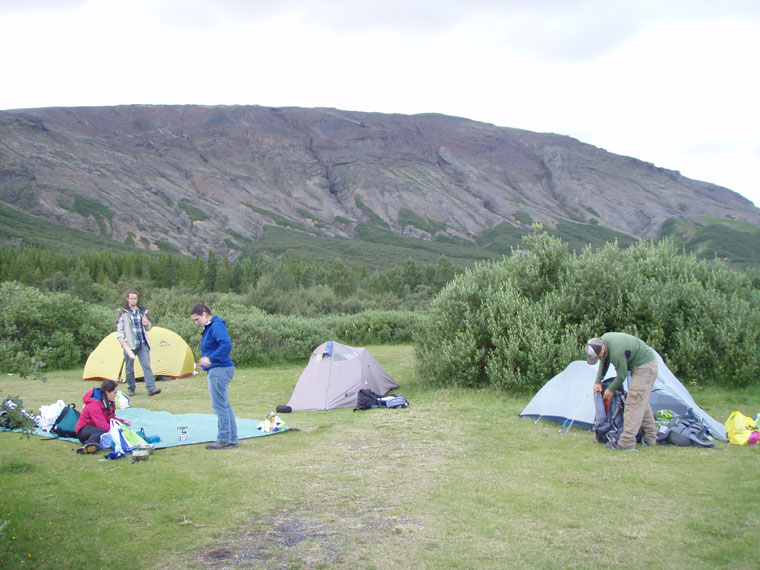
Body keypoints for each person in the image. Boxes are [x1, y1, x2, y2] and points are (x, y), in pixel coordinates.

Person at [586, 332, 659, 451]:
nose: (598, 358)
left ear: (603, 348)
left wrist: (610, 390)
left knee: (633, 402)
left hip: (645, 367)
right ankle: (651, 439)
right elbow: (604, 360)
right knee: (640, 402)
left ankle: (627, 443)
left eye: (598, 355)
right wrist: (598, 381)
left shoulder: (616, 352)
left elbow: (621, 375)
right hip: (640, 366)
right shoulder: (603, 342)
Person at [190, 303, 238, 450]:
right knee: (224, 404)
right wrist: (205, 363)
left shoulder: (216, 325)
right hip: (219, 368)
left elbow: (226, 344)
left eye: (197, 319)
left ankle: (223, 440)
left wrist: (210, 358)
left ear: (204, 314)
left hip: (220, 370)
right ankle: (231, 439)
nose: (196, 323)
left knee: (219, 406)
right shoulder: (210, 327)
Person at [115, 289, 161, 397]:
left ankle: (151, 388)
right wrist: (121, 339)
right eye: (131, 298)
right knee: (129, 368)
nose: (133, 300)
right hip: (129, 345)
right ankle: (131, 388)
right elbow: (118, 328)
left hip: (142, 343)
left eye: (135, 298)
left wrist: (147, 323)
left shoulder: (143, 311)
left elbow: (149, 327)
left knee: (146, 365)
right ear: (127, 299)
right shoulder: (122, 312)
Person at [75, 379, 131, 454]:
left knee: (109, 431)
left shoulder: (110, 402)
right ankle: (88, 445)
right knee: (102, 432)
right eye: (114, 393)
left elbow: (111, 418)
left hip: (96, 428)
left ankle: (94, 445)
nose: (116, 395)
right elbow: (101, 424)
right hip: (84, 430)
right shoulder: (94, 405)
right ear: (107, 392)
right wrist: (114, 432)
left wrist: (122, 421)